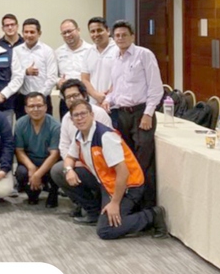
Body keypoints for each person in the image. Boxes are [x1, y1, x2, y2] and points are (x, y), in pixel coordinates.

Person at [58, 99, 167, 240]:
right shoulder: (79, 136)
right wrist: (69, 170)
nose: (80, 118)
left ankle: (152, 215)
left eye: (83, 114)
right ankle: (95, 212)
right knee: (60, 171)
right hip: (106, 183)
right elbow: (69, 157)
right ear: (72, 120)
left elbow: (123, 172)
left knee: (105, 230)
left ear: (92, 115)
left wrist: (114, 203)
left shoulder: (105, 136)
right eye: (76, 115)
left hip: (128, 186)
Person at [102, 20, 163, 209]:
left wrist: (148, 114)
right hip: (122, 114)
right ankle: (131, 205)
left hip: (141, 113)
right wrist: (108, 99)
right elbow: (116, 88)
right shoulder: (115, 58)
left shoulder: (144, 55)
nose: (120, 38)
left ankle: (148, 208)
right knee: (127, 160)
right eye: (117, 35)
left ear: (133, 36)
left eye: (124, 35)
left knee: (143, 162)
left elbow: (156, 88)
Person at [50, 79, 112, 217]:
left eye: (75, 95)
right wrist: (70, 165)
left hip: (103, 168)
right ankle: (90, 208)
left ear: (84, 95)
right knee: (58, 170)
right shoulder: (67, 118)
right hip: (80, 164)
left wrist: (84, 162)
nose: (72, 100)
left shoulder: (99, 114)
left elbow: (108, 147)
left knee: (108, 223)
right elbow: (64, 146)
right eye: (68, 97)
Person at [14, 92, 61, 207]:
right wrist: (31, 168)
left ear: (46, 107)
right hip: (30, 162)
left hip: (49, 163)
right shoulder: (20, 124)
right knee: (21, 172)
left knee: (56, 170)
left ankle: (53, 192)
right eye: (31, 106)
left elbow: (54, 155)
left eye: (39, 106)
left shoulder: (55, 126)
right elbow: (19, 150)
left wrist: (37, 174)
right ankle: (33, 193)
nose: (35, 109)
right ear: (26, 109)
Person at [12, 18, 58, 119]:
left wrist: (39, 97)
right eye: (26, 32)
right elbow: (13, 74)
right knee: (22, 127)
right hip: (22, 99)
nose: (29, 35)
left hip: (43, 99)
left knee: (45, 127)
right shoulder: (16, 51)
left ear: (39, 33)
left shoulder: (48, 51)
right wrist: (25, 72)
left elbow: (52, 77)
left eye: (32, 32)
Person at [55, 19, 93, 119]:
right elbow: (53, 75)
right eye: (64, 33)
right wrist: (58, 81)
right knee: (67, 125)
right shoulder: (58, 52)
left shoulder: (91, 50)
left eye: (69, 31)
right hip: (66, 100)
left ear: (78, 30)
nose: (67, 35)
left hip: (85, 98)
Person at [81, 17, 117, 105]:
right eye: (92, 31)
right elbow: (84, 79)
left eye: (99, 30)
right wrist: (96, 95)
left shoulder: (118, 50)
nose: (96, 34)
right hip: (94, 104)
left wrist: (107, 98)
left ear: (108, 31)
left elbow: (121, 78)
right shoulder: (88, 52)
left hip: (115, 105)